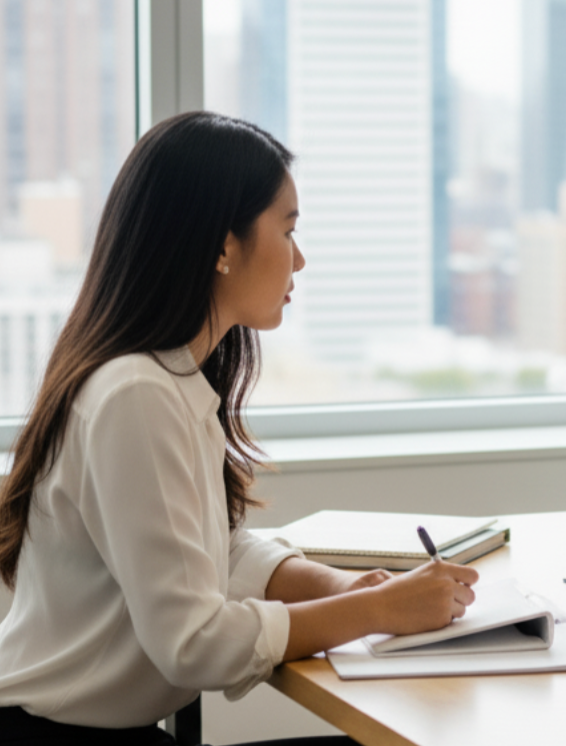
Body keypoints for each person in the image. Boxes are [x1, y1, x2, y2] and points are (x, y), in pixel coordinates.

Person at [0, 112, 479, 745]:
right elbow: (192, 645)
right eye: (288, 230)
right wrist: (374, 612)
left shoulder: (165, 379)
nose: (300, 259)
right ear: (224, 247)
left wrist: (341, 587)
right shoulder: (135, 394)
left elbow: (214, 551)